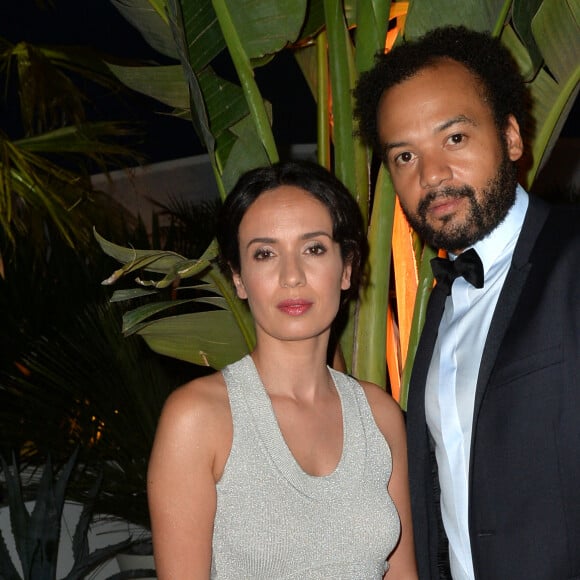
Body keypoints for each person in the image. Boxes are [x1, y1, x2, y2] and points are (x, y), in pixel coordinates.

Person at [354, 25, 580, 580]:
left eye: (454, 138)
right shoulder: (442, 301)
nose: (432, 175)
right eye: (405, 155)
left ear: (510, 138)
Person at [147, 160, 418, 578]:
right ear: (238, 278)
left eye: (313, 249)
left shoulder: (380, 416)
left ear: (346, 268)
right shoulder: (199, 419)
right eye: (265, 253)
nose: (292, 276)